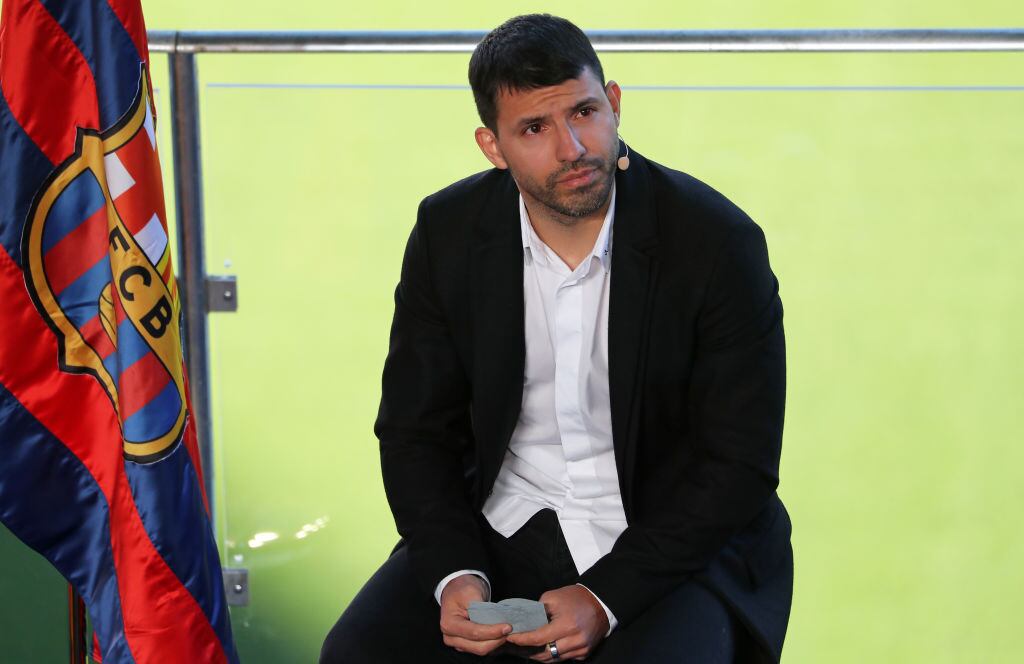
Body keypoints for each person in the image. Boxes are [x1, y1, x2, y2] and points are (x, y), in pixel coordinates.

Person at [321, 13, 792, 663]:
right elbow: (415, 432)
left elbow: (738, 464)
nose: (572, 146)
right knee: (356, 654)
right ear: (493, 147)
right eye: (535, 129)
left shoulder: (716, 244)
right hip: (502, 524)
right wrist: (455, 574)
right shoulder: (447, 232)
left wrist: (606, 598)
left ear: (615, 103)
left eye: (585, 112)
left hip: (671, 544)